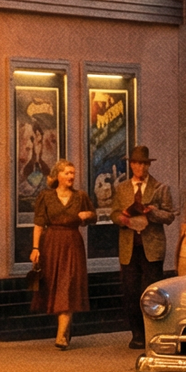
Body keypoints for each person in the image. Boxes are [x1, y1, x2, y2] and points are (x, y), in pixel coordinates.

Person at [106, 146, 174, 350]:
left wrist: (153, 212)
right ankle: (136, 334)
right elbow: (113, 213)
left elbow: (170, 215)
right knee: (130, 291)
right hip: (129, 248)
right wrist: (122, 219)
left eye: (143, 163)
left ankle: (152, 332)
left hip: (151, 248)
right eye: (136, 163)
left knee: (151, 291)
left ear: (148, 165)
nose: (139, 167)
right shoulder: (123, 188)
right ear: (131, 165)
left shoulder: (160, 187)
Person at [27, 159, 95, 348]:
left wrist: (87, 215)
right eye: (67, 173)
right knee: (56, 285)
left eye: (73, 173)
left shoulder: (80, 196)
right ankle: (65, 327)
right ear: (58, 175)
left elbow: (94, 215)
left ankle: (61, 335)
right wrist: (35, 248)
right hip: (52, 243)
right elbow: (39, 223)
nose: (71, 176)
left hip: (72, 243)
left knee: (68, 283)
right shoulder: (46, 197)